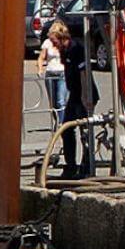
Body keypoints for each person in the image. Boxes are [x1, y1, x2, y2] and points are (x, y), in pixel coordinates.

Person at [53, 21, 97, 179]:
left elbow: (84, 73)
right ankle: (70, 165)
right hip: (74, 94)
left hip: (84, 93)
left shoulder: (76, 48)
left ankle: (87, 165)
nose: (53, 45)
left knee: (85, 130)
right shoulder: (64, 51)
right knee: (66, 128)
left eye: (54, 41)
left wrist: (86, 97)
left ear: (62, 37)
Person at [37, 21, 66, 128]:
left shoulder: (64, 43)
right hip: (50, 73)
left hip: (62, 73)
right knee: (53, 103)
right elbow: (41, 57)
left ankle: (62, 124)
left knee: (61, 101)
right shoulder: (47, 43)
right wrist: (40, 69)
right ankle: (57, 120)